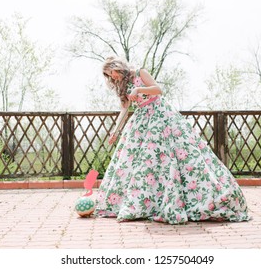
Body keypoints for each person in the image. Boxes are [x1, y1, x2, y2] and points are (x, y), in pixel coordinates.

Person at [94, 56, 250, 224]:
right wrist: (115, 131)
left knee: (174, 155)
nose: (113, 77)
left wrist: (139, 90)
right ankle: (146, 201)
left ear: (118, 67)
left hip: (160, 115)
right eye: (109, 76)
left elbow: (158, 90)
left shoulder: (140, 72)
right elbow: (124, 110)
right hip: (141, 120)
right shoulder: (122, 85)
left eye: (112, 73)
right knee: (145, 161)